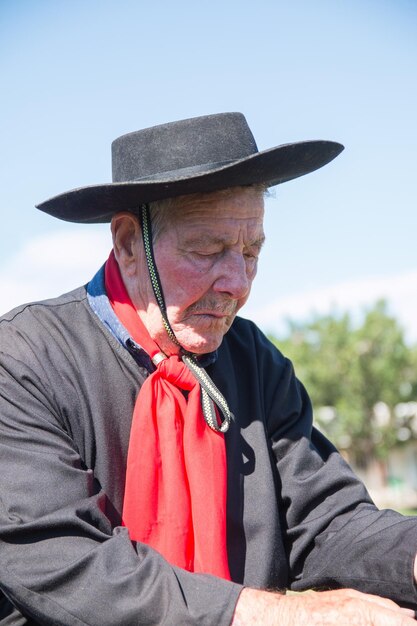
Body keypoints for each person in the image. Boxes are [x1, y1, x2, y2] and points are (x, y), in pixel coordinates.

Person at [0, 112, 416, 626]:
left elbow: (328, 522)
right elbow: (61, 560)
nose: (238, 283)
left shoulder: (255, 360)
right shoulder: (22, 360)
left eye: (251, 251)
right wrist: (278, 616)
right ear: (129, 243)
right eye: (208, 250)